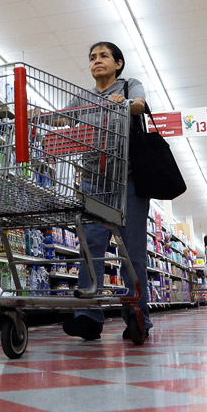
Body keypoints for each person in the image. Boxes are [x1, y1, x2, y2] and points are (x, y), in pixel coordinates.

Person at [62, 42, 152, 340]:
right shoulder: (83, 97)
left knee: (132, 253)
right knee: (90, 248)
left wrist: (125, 102)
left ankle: (137, 316)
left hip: (129, 182)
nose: (96, 61)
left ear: (118, 63)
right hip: (93, 183)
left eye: (103, 56)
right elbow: (64, 117)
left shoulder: (129, 85)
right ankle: (88, 316)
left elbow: (140, 105)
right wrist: (38, 115)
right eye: (92, 57)